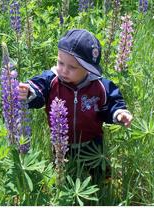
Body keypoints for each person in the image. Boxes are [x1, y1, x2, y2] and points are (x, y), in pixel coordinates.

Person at [18, 29, 133, 181]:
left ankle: (103, 189)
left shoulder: (99, 86)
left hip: (92, 142)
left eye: (72, 67)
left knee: (99, 171)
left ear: (87, 69)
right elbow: (38, 88)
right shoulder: (51, 80)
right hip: (60, 141)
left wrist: (118, 113)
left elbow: (111, 102)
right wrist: (28, 92)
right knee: (63, 174)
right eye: (60, 63)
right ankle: (64, 191)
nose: (64, 70)